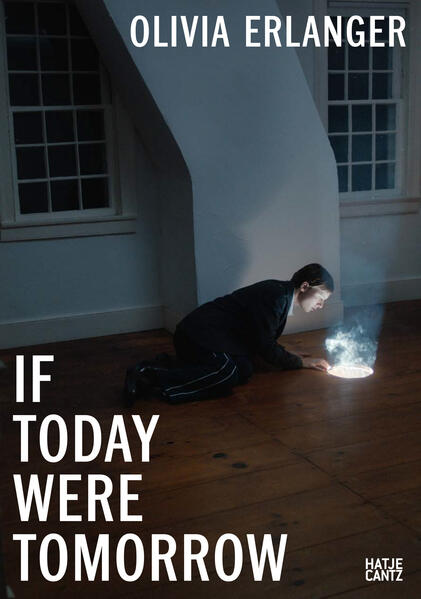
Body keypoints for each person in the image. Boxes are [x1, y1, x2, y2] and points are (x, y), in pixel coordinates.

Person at [123, 263, 333, 405]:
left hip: (213, 338)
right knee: (225, 373)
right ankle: (148, 376)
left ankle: (169, 365)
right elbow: (264, 345)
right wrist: (299, 362)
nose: (321, 305)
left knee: (244, 369)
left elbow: (260, 337)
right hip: (196, 335)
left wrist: (287, 353)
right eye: (320, 298)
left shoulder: (280, 295)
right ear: (305, 286)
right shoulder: (276, 296)